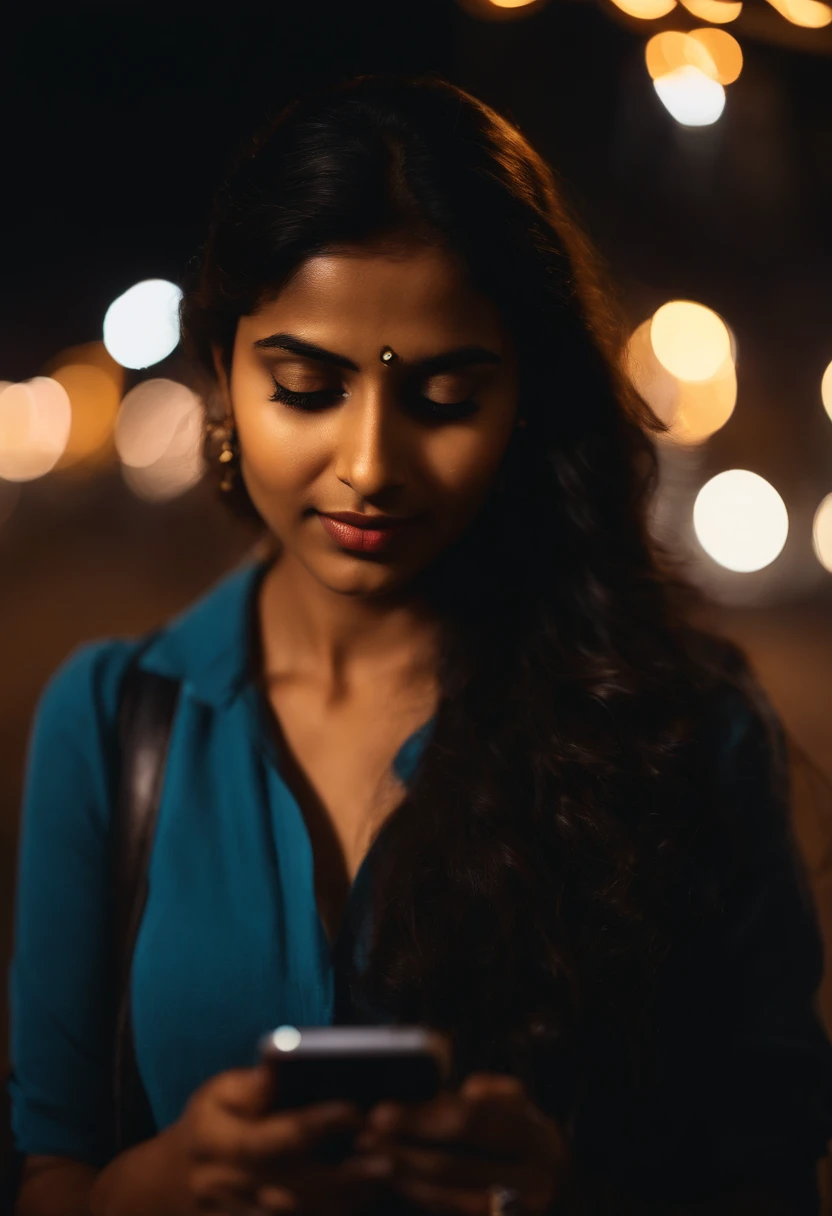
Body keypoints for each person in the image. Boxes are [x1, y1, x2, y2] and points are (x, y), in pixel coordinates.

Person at [7, 71, 832, 1216]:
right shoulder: (113, 720)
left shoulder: (682, 724)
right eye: (305, 387)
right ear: (224, 380)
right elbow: (49, 1166)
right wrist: (163, 1181)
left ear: (526, 404)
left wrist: (563, 1193)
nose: (370, 465)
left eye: (443, 398)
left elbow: (770, 1176)